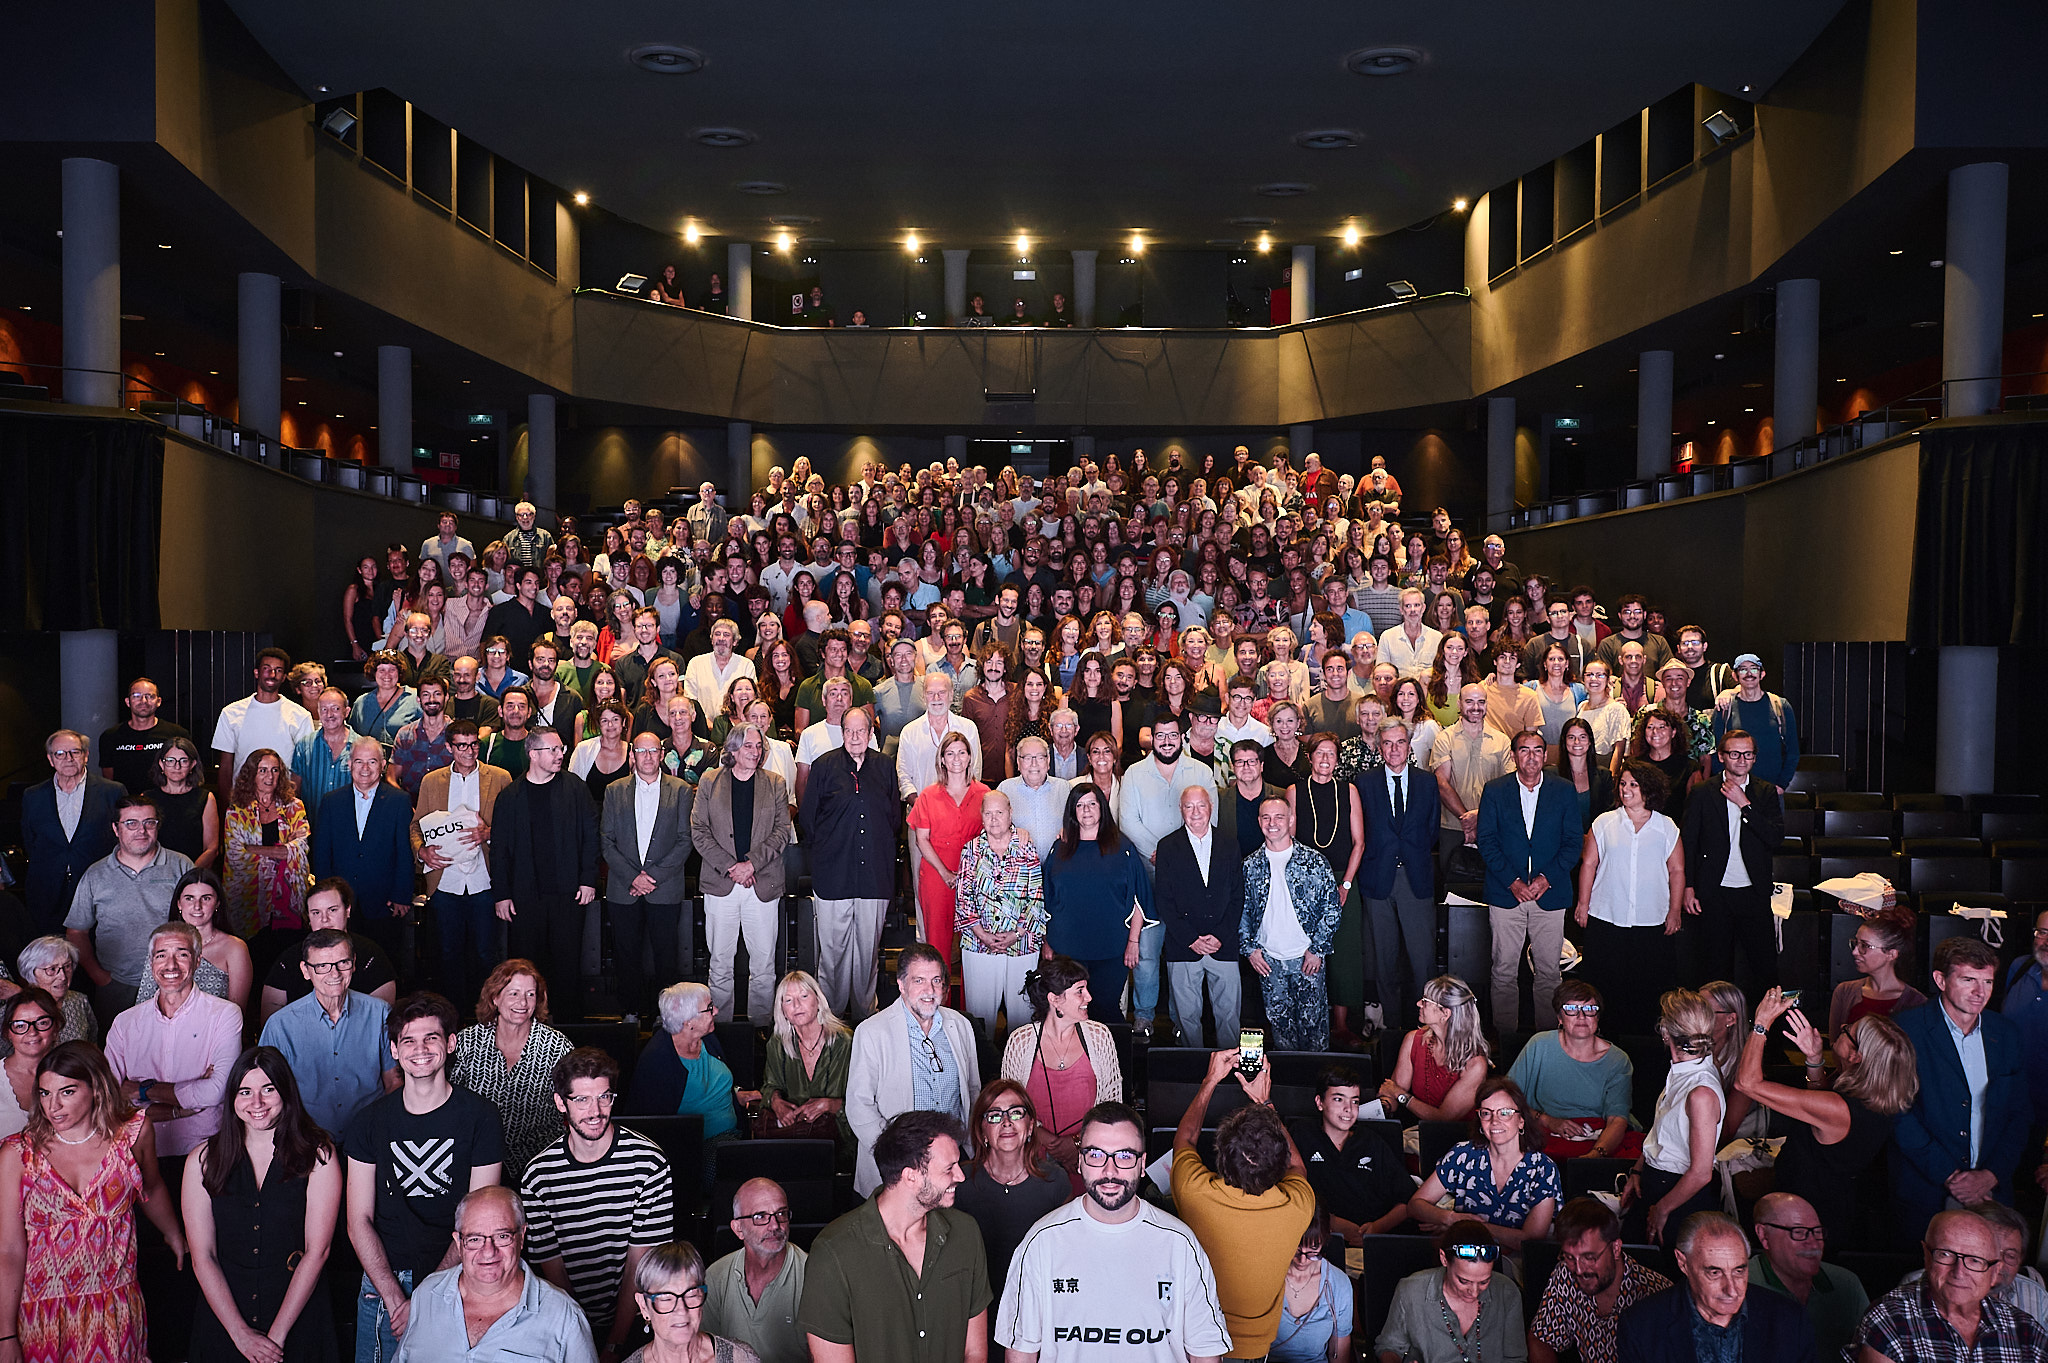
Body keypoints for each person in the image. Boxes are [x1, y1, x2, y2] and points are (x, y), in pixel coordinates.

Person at [996, 1099, 1234, 1363]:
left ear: (1142, 1164)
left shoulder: (1180, 1244)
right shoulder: (1041, 1242)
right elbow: (1020, 1354)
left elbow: (1205, 1352)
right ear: (1080, 1162)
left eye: (1124, 1156)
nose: (1110, 1171)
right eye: (1096, 1155)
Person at [0, 1041, 188, 1363]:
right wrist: (5, 1335)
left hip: (114, 1308)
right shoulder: (18, 1155)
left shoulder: (133, 1135)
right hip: (42, 1314)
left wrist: (173, 1233)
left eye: (67, 1092)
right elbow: (8, 1251)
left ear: (96, 1089)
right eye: (45, 1093)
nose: (53, 1106)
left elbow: (152, 1187)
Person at [345, 992, 507, 1363]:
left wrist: (429, 1296)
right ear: (394, 1050)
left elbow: (479, 1222)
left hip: (461, 1276)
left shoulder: (481, 1117)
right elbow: (358, 1220)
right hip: (385, 1280)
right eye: (409, 1040)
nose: (420, 1049)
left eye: (431, 1038)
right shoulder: (368, 1122)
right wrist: (394, 1296)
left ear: (450, 1044)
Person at [183, 1045, 344, 1363]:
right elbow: (203, 1257)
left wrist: (275, 1339)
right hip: (226, 1314)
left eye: (268, 1089)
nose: (256, 1103)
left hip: (297, 1311)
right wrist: (240, 1334)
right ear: (232, 1099)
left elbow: (318, 1251)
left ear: (286, 1092)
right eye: (244, 1092)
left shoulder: (319, 1155)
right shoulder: (201, 1160)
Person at [521, 1048, 676, 1363]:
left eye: (604, 1097)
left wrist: (614, 1346)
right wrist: (584, 1340)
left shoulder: (649, 1162)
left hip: (638, 1317)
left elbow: (640, 1265)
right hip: (565, 1318)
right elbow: (554, 1273)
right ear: (560, 1103)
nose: (595, 1111)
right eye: (581, 1100)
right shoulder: (538, 1176)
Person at [800, 1109, 990, 1363]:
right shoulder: (833, 1252)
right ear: (910, 1176)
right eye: (949, 1169)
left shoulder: (966, 1233)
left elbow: (975, 1353)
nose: (960, 1176)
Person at [1735, 986, 1919, 1245]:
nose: (1842, 1026)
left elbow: (1747, 1084)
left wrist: (1762, 1023)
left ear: (1856, 1056)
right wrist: (1814, 1058)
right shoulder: (1875, 1095)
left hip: (1806, 1222)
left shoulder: (1841, 1109)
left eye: (1848, 1031)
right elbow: (1818, 1112)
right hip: (1826, 1208)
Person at [1171, 1048, 1316, 1360]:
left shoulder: (1195, 1192)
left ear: (1220, 1157)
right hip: (1255, 1347)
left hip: (1195, 1338)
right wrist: (1265, 1104)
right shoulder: (1298, 1205)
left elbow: (1185, 1139)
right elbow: (1298, 1168)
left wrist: (1210, 1081)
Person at [1888, 935, 2028, 1242]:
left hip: (1993, 1192)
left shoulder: (2005, 1034)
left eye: (1988, 982)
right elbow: (1897, 1113)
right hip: (1926, 1192)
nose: (1980, 992)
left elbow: (2019, 1114)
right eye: (1968, 980)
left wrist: (1990, 1175)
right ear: (1940, 979)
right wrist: (1951, 1177)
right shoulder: (1905, 1030)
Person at [390, 1185, 598, 1363]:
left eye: (502, 1236)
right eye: (474, 1239)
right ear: (458, 1243)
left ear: (522, 1236)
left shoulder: (564, 1317)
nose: (489, 1251)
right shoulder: (426, 1296)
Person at [847, 945, 982, 1197]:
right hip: (896, 1168)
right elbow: (858, 1106)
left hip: (954, 1163)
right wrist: (897, 1156)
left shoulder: (961, 1025)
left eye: (936, 980)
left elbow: (973, 1092)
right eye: (918, 980)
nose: (929, 991)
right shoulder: (872, 1031)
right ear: (901, 984)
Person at [1116, 711, 1217, 1038]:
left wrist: (1177, 856)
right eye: (1160, 736)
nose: (1167, 741)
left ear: (1182, 736)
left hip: (1191, 876)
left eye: (1173, 735)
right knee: (1146, 951)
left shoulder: (1200, 771)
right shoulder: (1134, 773)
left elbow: (1209, 820)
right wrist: (1160, 853)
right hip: (1147, 873)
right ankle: (1144, 1016)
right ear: (1152, 738)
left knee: (1184, 950)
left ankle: (1181, 1019)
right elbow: (1128, 822)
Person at [797, 707, 901, 1021]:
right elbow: (808, 818)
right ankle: (831, 1018)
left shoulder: (884, 767)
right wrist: (831, 850)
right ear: (842, 734)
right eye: (849, 731)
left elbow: (894, 818)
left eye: (861, 731)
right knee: (832, 955)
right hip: (833, 875)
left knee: (867, 953)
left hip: (874, 876)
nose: (855, 737)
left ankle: (865, 1016)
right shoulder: (824, 766)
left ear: (871, 734)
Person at [1476, 729, 1582, 1032]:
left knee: (1549, 973)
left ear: (1545, 755)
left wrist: (1546, 879)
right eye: (1524, 750)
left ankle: (1548, 1039)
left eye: (1538, 750)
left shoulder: (1563, 790)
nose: (1532, 756)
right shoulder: (1495, 790)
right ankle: (1507, 1041)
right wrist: (1513, 881)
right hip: (1506, 893)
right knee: (1504, 971)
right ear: (1513, 755)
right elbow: (1487, 840)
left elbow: (1573, 842)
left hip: (1550, 893)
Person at [490, 731, 600, 1023]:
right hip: (525, 898)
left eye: (560, 748)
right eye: (552, 749)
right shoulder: (510, 796)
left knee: (567, 965)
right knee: (526, 968)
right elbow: (499, 850)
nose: (559, 754)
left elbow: (591, 836)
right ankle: (528, 1026)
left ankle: (570, 1028)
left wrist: (589, 878)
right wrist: (501, 894)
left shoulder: (575, 788)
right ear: (533, 754)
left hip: (568, 894)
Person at [1847, 1207, 2048, 1363]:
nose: (1959, 1272)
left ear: (1994, 1273)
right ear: (1926, 1256)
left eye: (1975, 1261)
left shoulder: (2024, 1329)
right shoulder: (1890, 1318)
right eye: (1945, 1254)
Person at [1573, 759, 1685, 1035]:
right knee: (1604, 985)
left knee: (1646, 987)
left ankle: (1644, 1043)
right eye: (1622, 784)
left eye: (1633, 784)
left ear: (1648, 789)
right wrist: (1583, 903)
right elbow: (1589, 864)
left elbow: (1677, 870)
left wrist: (1674, 911)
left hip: (1651, 920)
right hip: (1606, 917)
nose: (1626, 790)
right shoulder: (1604, 822)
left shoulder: (1666, 827)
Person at [692, 724, 794, 1024]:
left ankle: (761, 1029)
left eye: (759, 746)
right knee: (720, 963)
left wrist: (751, 865)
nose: (755, 751)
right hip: (721, 883)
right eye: (749, 746)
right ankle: (719, 1028)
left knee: (763, 966)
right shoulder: (710, 780)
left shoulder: (775, 783)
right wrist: (730, 866)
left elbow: (781, 831)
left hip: (761, 884)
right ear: (733, 749)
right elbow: (699, 830)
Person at [1614, 1212, 1815, 1362]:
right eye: (1714, 1272)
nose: (1732, 1290)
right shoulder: (1641, 1326)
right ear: (1683, 1263)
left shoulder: (1789, 1320)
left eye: (1739, 1271)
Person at [258, 928, 399, 1137]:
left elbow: (394, 1081)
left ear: (354, 964)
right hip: (306, 1139)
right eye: (322, 966)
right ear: (306, 971)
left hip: (371, 1135)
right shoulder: (280, 1025)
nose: (334, 974)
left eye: (343, 963)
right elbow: (266, 1091)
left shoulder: (380, 1013)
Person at [951, 1080, 1071, 1327]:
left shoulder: (1055, 1181)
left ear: (1030, 1127)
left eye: (1016, 1113)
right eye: (994, 1116)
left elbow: (1065, 1260)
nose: (1006, 1122)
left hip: (1036, 1313)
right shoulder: (958, 1182)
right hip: (973, 1313)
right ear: (982, 1131)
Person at [997, 957, 1123, 1185]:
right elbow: (1008, 1107)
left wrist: (1076, 1143)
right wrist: (1043, 1137)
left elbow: (1112, 1105)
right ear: (1055, 999)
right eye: (1080, 992)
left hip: (1089, 1155)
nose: (1089, 998)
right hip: (1031, 1158)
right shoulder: (1020, 1041)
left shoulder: (1099, 1036)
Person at [413, 718, 509, 1014]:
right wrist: (421, 851)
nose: (469, 751)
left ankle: (487, 1018)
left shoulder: (500, 777)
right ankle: (452, 1018)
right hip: (445, 880)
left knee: (485, 955)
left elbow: (513, 828)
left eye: (474, 744)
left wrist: (489, 833)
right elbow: (416, 825)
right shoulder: (432, 781)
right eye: (462, 746)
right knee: (447, 954)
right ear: (449, 747)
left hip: (485, 879)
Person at [1679, 729, 1784, 999]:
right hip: (1714, 891)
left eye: (1747, 754)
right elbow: (1689, 843)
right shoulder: (1703, 792)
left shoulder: (1765, 791)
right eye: (1734, 754)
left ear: (1754, 758)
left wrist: (1744, 804)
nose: (1741, 760)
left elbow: (1775, 838)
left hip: (1754, 891)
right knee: (1715, 969)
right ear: (1722, 757)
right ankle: (1715, 1033)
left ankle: (1765, 1032)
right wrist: (1688, 886)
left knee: (1763, 968)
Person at [1041, 782, 1154, 1024]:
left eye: (1092, 803)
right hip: (1067, 951)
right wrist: (1047, 942)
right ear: (1072, 811)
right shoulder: (1059, 849)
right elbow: (1047, 899)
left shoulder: (1122, 848)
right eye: (1079, 805)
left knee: (1105, 1010)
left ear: (1102, 808)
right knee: (1069, 1014)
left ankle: (1110, 1061)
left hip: (1110, 951)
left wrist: (1133, 942)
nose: (1086, 810)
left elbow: (1138, 900)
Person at [451, 960, 573, 1179]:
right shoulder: (467, 1042)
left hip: (541, 1164)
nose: (523, 1002)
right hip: (474, 1159)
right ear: (495, 997)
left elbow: (573, 1105)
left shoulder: (557, 1045)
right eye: (514, 994)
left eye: (530, 994)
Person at [1408, 1077, 1560, 1251]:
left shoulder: (1543, 1168)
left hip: (1517, 1263)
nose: (1495, 1121)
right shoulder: (1463, 1155)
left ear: (1521, 1120)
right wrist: (1449, 1218)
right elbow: (1415, 1205)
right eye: (1487, 1113)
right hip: (1466, 1255)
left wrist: (1463, 1228)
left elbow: (1530, 1241)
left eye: (1504, 1113)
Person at [1242, 795, 1343, 1051]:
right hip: (1268, 962)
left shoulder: (1314, 861)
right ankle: (1288, 1088)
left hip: (1306, 959)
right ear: (1259, 821)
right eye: (1266, 817)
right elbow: (1240, 911)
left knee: (1315, 1032)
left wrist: (1317, 950)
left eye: (1279, 817)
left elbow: (1331, 909)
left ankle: (1315, 1089)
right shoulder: (1249, 866)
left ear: (1291, 820)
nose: (1272, 823)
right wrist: (1250, 950)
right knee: (1280, 1032)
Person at [1356, 718, 1438, 1034]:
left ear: (1408, 745)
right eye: (1387, 743)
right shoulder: (1364, 783)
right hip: (1378, 879)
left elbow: (1430, 830)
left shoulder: (1427, 782)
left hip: (1415, 879)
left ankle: (1426, 1029)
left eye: (1399, 742)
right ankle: (1390, 1028)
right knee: (1384, 961)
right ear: (1379, 748)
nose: (1393, 749)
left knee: (1423, 962)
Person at [311, 736, 418, 972]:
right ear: (349, 765)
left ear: (382, 765)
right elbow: (321, 854)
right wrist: (327, 898)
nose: (365, 768)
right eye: (359, 761)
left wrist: (402, 895)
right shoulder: (331, 802)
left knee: (384, 963)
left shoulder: (399, 801)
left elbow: (404, 851)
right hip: (340, 904)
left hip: (384, 902)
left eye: (372, 762)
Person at [1625, 990, 1723, 1246]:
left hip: (1679, 1198)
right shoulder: (1683, 1072)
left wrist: (1662, 1209)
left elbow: (1701, 1173)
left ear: (1665, 1032)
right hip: (1655, 1183)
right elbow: (1661, 1131)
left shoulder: (1700, 1092)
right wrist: (1638, 1169)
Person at [1528, 1197, 1673, 1363]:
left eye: (1589, 1257)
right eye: (1569, 1257)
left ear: (1616, 1248)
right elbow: (1541, 1339)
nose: (1579, 1269)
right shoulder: (1566, 1273)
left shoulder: (1658, 1294)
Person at [953, 790, 1048, 1039]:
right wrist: (982, 935)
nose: (994, 819)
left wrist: (1015, 934)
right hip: (978, 944)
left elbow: (1036, 897)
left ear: (1010, 814)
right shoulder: (970, 850)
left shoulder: (1027, 848)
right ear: (981, 817)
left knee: (1022, 1017)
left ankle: (1019, 1072)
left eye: (999, 813)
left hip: (1022, 944)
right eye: (988, 813)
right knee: (979, 1017)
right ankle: (982, 1074)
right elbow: (963, 898)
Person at [1508, 979, 1639, 1161]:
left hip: (1598, 1136)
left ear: (1597, 1017)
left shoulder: (1618, 1059)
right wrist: (1547, 1120)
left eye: (1589, 1010)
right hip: (1546, 1133)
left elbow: (1617, 1120)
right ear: (1560, 1018)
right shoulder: (1539, 1044)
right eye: (1571, 1009)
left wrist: (1594, 1156)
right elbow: (1506, 1098)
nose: (1581, 1017)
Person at [1156, 784, 1245, 1049]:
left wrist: (1219, 936)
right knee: (1186, 1018)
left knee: (1229, 1017)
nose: (1196, 812)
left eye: (1201, 805)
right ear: (1180, 809)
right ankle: (1193, 1074)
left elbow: (1238, 897)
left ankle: (1229, 1072)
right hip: (1183, 946)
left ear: (1211, 807)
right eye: (1189, 806)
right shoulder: (1168, 846)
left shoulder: (1229, 844)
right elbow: (1164, 900)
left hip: (1224, 944)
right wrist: (1191, 938)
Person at [909, 732, 989, 1003]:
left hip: (975, 880)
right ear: (942, 759)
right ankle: (938, 1007)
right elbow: (921, 838)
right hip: (936, 877)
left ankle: (972, 1009)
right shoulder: (929, 795)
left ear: (970, 757)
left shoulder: (984, 794)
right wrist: (945, 873)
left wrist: (970, 876)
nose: (956, 758)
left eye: (962, 752)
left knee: (973, 945)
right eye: (950, 753)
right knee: (938, 946)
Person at [1374, 1221, 1526, 1363]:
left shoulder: (1507, 1292)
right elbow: (1389, 1347)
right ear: (1444, 1259)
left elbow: (1515, 1358)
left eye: (1484, 1282)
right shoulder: (1411, 1290)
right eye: (1464, 1281)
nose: (1474, 1293)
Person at [1292, 1066, 1413, 1243]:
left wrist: (1377, 1228)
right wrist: (1330, 1222)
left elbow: (1407, 1199)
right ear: (1320, 1102)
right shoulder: (1302, 1135)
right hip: (1314, 1242)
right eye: (1339, 1099)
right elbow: (1286, 1191)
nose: (1349, 1109)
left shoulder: (1371, 1142)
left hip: (1368, 1244)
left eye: (1355, 1101)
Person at [1743, 1191, 1869, 1360]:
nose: (1813, 1242)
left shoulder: (1847, 1283)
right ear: (1764, 1235)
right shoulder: (1741, 1285)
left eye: (1817, 1232)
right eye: (1799, 1232)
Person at [256, 877, 398, 1024]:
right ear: (308, 918)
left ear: (347, 910)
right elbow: (270, 1020)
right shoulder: (289, 959)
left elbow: (382, 1020)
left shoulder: (372, 956)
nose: (324, 919)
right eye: (316, 912)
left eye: (332, 910)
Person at [701, 1178, 806, 1363]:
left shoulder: (813, 1274)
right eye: (760, 1217)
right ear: (738, 1228)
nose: (774, 1225)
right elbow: (704, 1352)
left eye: (781, 1214)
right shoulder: (715, 1277)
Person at [220, 745, 313, 942]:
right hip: (248, 899)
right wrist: (284, 850)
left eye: (275, 770)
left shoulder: (294, 807)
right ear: (251, 774)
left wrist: (254, 850)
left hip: (288, 898)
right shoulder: (236, 811)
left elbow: (301, 848)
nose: (269, 777)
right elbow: (237, 856)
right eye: (262, 770)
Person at [1432, 684, 1511, 879]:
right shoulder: (1444, 738)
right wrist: (1468, 820)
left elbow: (1508, 786)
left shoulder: (1502, 741)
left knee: (1491, 886)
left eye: (1481, 702)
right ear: (1459, 703)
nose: (1476, 707)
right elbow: (1442, 783)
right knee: (1452, 889)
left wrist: (1481, 815)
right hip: (1453, 827)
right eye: (1469, 701)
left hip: (1493, 826)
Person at [211, 648, 315, 792]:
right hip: (242, 802)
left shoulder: (300, 716)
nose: (272, 674)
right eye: (267, 669)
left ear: (284, 677)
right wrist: (225, 808)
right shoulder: (231, 713)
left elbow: (304, 768)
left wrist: (293, 804)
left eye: (278, 670)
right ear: (256, 672)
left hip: (283, 802)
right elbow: (226, 767)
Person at [1828, 904, 1927, 1040]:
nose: (1855, 952)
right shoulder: (1844, 992)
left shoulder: (1916, 1003)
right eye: (1855, 943)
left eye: (1865, 946)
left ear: (1891, 954)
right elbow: (1835, 1046)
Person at [1708, 654, 1800, 790]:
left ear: (1762, 674)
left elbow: (1792, 751)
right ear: (1735, 676)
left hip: (1771, 789)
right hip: (1734, 788)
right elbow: (1716, 750)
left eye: (1754, 669)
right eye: (1743, 669)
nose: (1749, 673)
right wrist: (1725, 783)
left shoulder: (1780, 706)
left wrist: (1781, 785)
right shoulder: (1724, 709)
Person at [100, 678, 194, 796]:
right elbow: (109, 780)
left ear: (158, 701)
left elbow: (189, 773)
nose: (143, 701)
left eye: (150, 696)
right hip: (127, 806)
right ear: (128, 702)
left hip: (167, 804)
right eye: (137, 696)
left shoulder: (177, 734)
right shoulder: (110, 737)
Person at [153, 735, 223, 870]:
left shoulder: (206, 798)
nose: (177, 766)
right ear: (161, 764)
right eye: (170, 760)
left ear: (192, 764)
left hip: (194, 873)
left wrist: (188, 874)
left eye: (183, 761)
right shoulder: (148, 798)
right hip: (158, 872)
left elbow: (212, 848)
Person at [0, 991, 61, 1138]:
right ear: (8, 1032)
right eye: (20, 1025)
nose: (32, 1032)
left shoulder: (75, 1074)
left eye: (42, 1023)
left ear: (55, 1028)